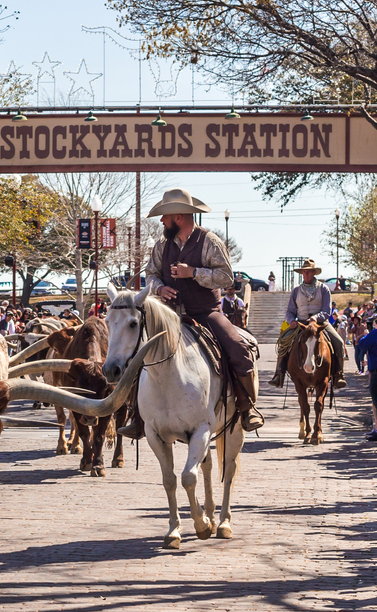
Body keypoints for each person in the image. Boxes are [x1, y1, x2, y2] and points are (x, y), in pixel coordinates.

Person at [125, 187, 264, 437]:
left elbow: (226, 277)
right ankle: (137, 416)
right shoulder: (161, 245)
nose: (162, 221)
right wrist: (160, 288)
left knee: (239, 349)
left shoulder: (209, 241)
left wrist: (194, 273)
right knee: (135, 355)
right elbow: (151, 275)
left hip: (205, 313)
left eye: (165, 216)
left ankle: (246, 408)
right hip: (167, 318)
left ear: (178, 217)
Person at [267, 259, 347, 390]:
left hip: (320, 324)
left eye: (309, 272)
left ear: (314, 273)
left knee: (338, 342)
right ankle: (279, 374)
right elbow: (290, 311)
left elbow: (327, 311)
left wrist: (315, 318)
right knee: (283, 343)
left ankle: (339, 374)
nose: (306, 275)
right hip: (301, 324)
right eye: (304, 272)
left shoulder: (324, 289)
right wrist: (291, 321)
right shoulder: (296, 290)